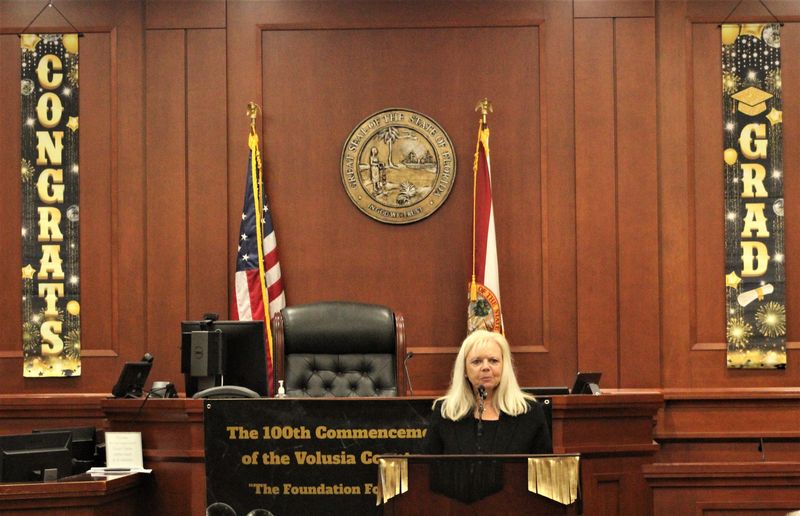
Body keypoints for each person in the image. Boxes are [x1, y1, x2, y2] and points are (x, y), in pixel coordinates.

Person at [425, 330, 552, 454]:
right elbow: (427, 469)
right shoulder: (446, 412)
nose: (486, 367)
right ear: (464, 370)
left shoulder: (529, 412)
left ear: (504, 366)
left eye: (493, 361)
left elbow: (542, 470)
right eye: (476, 361)